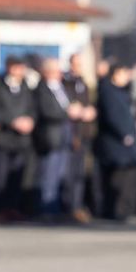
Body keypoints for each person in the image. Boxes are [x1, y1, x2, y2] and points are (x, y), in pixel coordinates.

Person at [33, 58, 81, 220]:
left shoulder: (62, 88)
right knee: (49, 175)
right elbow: (47, 111)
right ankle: (47, 209)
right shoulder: (42, 89)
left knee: (62, 174)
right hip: (51, 137)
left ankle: (59, 207)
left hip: (65, 137)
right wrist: (68, 112)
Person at [95, 63, 136, 221]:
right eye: (124, 73)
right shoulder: (108, 91)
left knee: (128, 177)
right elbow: (112, 115)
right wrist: (124, 134)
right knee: (116, 179)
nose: (127, 77)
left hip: (126, 142)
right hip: (115, 143)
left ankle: (124, 209)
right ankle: (115, 210)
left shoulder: (123, 91)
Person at [0, 56, 36, 220]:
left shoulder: (25, 87)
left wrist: (30, 120)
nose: (20, 71)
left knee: (17, 177)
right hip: (4, 139)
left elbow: (32, 108)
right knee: (0, 177)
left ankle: (13, 208)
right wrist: (12, 122)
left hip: (21, 141)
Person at [63, 54, 97, 224]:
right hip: (70, 134)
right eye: (75, 64)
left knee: (79, 174)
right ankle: (68, 207)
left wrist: (89, 111)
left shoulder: (82, 83)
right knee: (68, 173)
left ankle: (77, 205)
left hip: (83, 133)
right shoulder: (65, 82)